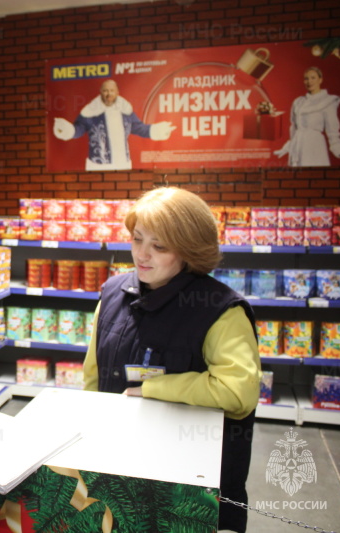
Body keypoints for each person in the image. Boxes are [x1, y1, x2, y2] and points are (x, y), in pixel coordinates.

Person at [83, 187, 261, 533]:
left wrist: (153, 389)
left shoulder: (221, 310)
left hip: (189, 488)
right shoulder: (111, 294)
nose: (142, 254)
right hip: (117, 469)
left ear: (190, 249)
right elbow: (93, 376)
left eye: (159, 246)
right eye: (137, 240)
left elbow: (239, 394)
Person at [52, 79, 176, 170]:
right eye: (105, 90)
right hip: (98, 166)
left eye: (111, 90)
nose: (108, 94)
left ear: (117, 92)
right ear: (101, 92)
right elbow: (78, 129)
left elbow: (139, 128)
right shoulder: (91, 112)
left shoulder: (125, 111)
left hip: (123, 164)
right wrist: (67, 130)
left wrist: (159, 129)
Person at [274, 66, 340, 166]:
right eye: (306, 79)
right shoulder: (298, 102)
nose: (309, 81)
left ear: (320, 79)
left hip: (314, 145)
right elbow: (294, 127)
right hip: (297, 145)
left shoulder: (328, 101)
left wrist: (337, 146)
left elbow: (332, 129)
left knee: (313, 175)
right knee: (297, 179)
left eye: (313, 78)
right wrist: (288, 146)